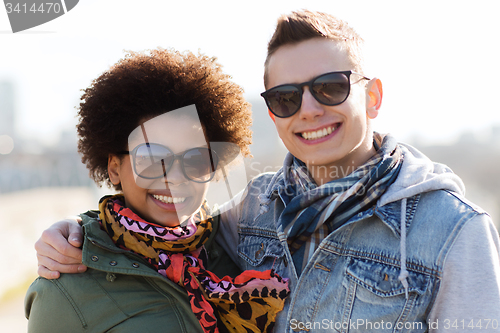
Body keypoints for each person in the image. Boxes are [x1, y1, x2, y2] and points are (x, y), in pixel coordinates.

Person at [33, 10, 500, 332]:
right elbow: (163, 230)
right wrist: (75, 233)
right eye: (286, 98)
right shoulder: (255, 210)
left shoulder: (454, 232)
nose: (310, 110)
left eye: (331, 87)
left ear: (372, 97)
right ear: (273, 114)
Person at [24, 48, 291, 333]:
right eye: (152, 158)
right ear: (114, 167)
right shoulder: (65, 288)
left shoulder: (237, 247)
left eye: (196, 159)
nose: (174, 178)